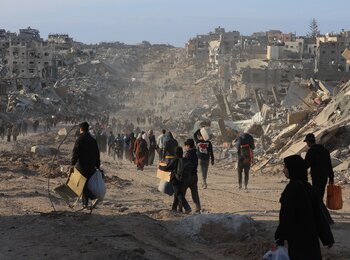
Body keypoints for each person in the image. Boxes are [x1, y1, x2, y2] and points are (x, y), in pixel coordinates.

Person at [275, 155, 334, 260]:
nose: (283, 170)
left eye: (286, 167)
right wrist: (327, 237)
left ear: (293, 169)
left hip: (297, 240)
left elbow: (286, 216)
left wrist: (280, 236)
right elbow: (319, 215)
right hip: (311, 240)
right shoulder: (307, 187)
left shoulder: (292, 189)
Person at [304, 133, 335, 225]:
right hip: (324, 177)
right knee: (318, 197)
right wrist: (331, 177)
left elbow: (306, 165)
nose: (307, 144)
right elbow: (329, 165)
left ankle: (328, 219)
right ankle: (318, 218)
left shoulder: (311, 151)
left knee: (317, 199)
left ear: (309, 142)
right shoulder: (324, 150)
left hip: (317, 178)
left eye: (306, 142)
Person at [71, 122, 101, 208]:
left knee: (80, 184)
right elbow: (97, 153)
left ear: (81, 129)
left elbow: (75, 153)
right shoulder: (93, 139)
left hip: (82, 166)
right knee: (86, 184)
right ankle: (85, 203)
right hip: (91, 166)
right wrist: (97, 165)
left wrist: (73, 163)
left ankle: (93, 198)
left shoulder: (79, 139)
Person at [159, 146, 192, 213]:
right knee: (177, 194)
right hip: (184, 179)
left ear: (175, 152)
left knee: (179, 194)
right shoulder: (184, 160)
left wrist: (160, 167)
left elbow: (167, 168)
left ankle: (187, 207)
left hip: (176, 180)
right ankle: (173, 208)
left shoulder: (175, 159)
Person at [182, 138, 201, 213]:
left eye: (186, 146)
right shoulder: (196, 152)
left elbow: (184, 164)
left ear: (188, 146)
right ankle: (198, 208)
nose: (185, 147)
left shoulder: (188, 154)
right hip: (194, 176)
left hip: (187, 176)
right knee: (195, 193)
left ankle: (181, 208)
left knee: (182, 193)